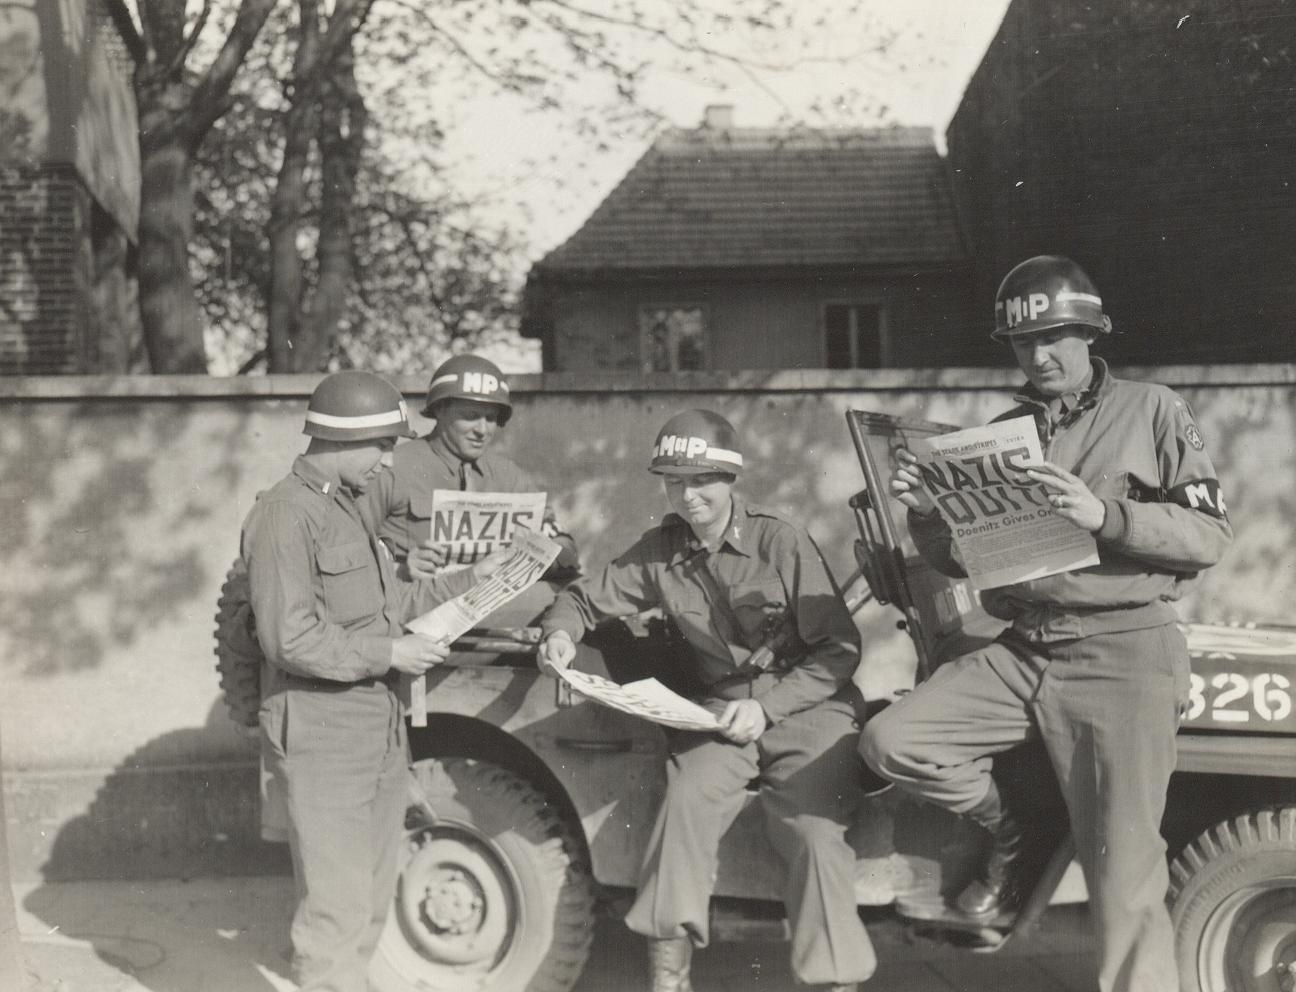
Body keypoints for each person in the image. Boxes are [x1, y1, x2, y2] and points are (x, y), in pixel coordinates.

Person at [860, 255, 1232, 992]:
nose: (1040, 355)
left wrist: (1107, 516)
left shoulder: (1152, 409)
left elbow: (1210, 536)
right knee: (893, 738)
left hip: (1122, 653)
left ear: (1090, 335)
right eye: (1026, 343)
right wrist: (928, 513)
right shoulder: (1006, 430)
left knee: (1122, 882)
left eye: (1058, 337)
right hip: (1026, 648)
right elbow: (966, 561)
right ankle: (1017, 827)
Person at [535, 409, 876, 992]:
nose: (688, 496)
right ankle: (670, 979)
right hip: (720, 714)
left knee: (814, 834)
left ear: (730, 480)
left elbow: (839, 649)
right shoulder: (661, 550)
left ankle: (832, 982)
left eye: (701, 481)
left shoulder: (779, 540)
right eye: (675, 482)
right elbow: (584, 600)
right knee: (685, 801)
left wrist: (768, 709)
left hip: (809, 711)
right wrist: (559, 634)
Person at [242, 370, 503, 992]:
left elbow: (394, 604)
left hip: (375, 725)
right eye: (383, 446)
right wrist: (389, 654)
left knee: (369, 898)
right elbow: (288, 636)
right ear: (341, 439)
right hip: (321, 725)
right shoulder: (285, 514)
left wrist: (478, 576)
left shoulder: (349, 506)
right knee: (335, 908)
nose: (389, 463)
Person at [362, 353, 578, 627]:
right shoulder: (394, 467)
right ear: (439, 410)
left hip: (494, 609)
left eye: (491, 418)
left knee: (578, 595)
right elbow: (348, 548)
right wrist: (402, 569)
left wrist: (540, 551)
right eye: (471, 416)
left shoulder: (508, 475)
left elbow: (564, 547)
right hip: (420, 611)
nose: (482, 430)